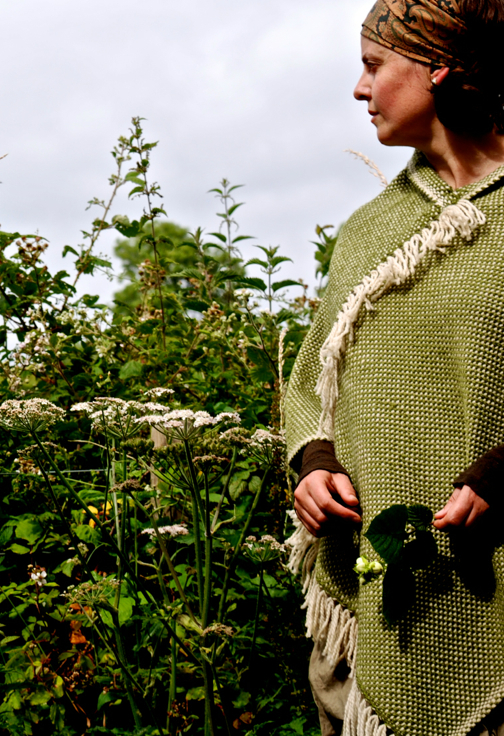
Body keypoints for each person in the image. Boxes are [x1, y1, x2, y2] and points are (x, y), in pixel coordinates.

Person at [284, 0, 504, 733]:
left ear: (438, 67)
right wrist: (313, 462)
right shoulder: (370, 228)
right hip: (372, 616)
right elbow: (316, 376)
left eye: (374, 66)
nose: (359, 88)